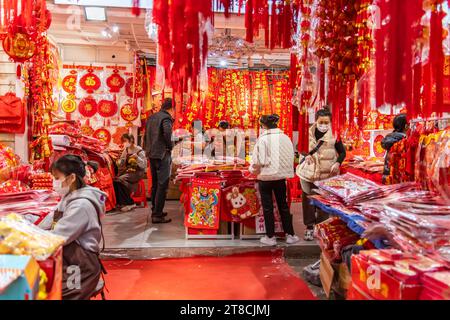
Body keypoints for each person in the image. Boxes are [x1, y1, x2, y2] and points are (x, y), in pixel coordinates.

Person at [50, 155, 106, 300]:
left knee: (55, 292)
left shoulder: (81, 205)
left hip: (80, 267)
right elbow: (50, 219)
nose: (54, 183)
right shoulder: (69, 196)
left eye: (57, 178)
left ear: (72, 178)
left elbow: (57, 237)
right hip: (70, 259)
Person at [297, 108, 346, 241]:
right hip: (307, 174)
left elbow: (342, 152)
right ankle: (309, 226)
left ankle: (320, 227)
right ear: (316, 121)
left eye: (326, 122)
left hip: (325, 176)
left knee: (323, 203)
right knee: (308, 200)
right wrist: (305, 155)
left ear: (330, 122)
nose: (324, 125)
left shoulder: (335, 135)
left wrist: (337, 163)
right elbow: (299, 147)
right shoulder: (307, 133)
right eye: (321, 122)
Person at [249, 114, 299, 246]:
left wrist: (252, 170)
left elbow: (258, 161)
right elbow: (291, 157)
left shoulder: (263, 139)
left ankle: (270, 237)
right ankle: (290, 235)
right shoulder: (285, 138)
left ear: (263, 126)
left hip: (265, 177)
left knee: (268, 208)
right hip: (280, 177)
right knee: (283, 206)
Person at [145, 98, 174, 224]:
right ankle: (157, 215)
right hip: (162, 154)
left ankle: (155, 210)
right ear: (171, 109)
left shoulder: (152, 117)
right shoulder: (166, 118)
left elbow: (146, 136)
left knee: (155, 184)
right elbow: (167, 132)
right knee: (163, 185)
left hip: (152, 154)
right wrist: (171, 145)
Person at [113, 133, 147, 212]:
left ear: (131, 140)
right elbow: (122, 161)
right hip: (129, 171)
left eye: (125, 141)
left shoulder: (139, 150)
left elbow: (144, 165)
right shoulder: (126, 150)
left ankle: (130, 203)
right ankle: (123, 202)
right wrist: (119, 162)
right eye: (123, 141)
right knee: (116, 180)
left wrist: (137, 157)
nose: (124, 143)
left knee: (120, 180)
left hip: (138, 172)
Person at [381, 113, 408, 183]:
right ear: (406, 126)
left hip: (386, 175)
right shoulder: (404, 139)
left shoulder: (390, 137)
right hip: (398, 178)